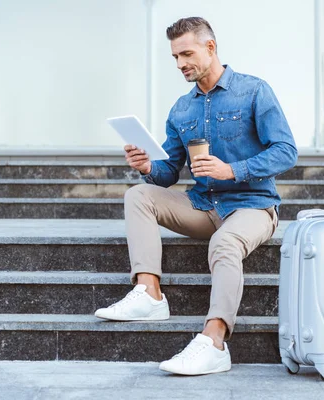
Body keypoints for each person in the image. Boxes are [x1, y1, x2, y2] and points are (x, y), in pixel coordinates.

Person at [95, 16, 297, 375]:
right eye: (175, 57)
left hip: (253, 206)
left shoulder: (253, 91)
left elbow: (286, 151)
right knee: (138, 195)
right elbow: (168, 173)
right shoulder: (181, 109)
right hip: (203, 205)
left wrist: (232, 170)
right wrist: (146, 166)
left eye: (186, 54)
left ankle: (214, 343)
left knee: (224, 244)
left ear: (210, 47)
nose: (180, 64)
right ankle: (150, 293)